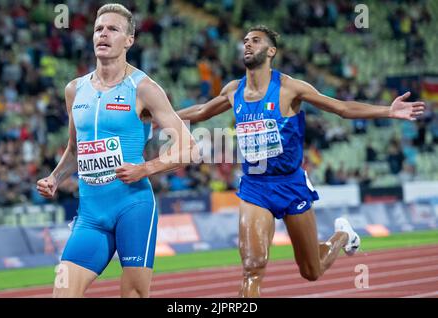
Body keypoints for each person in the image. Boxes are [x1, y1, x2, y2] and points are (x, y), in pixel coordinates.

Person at [177, 25, 425, 297]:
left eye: (255, 41)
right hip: (255, 186)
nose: (247, 45)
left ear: (271, 51)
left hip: (291, 184)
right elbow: (201, 111)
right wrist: (159, 115)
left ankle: (342, 235)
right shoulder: (233, 90)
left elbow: (341, 108)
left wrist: (387, 110)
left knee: (312, 271)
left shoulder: (289, 88)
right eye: (245, 41)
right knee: (252, 266)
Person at [36, 4, 198, 298]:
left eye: (113, 29)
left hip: (132, 207)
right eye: (99, 29)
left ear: (129, 40)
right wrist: (55, 178)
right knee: (61, 293)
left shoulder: (145, 89)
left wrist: (145, 169)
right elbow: (75, 150)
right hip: (90, 215)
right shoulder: (75, 89)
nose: (103, 34)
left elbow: (189, 148)